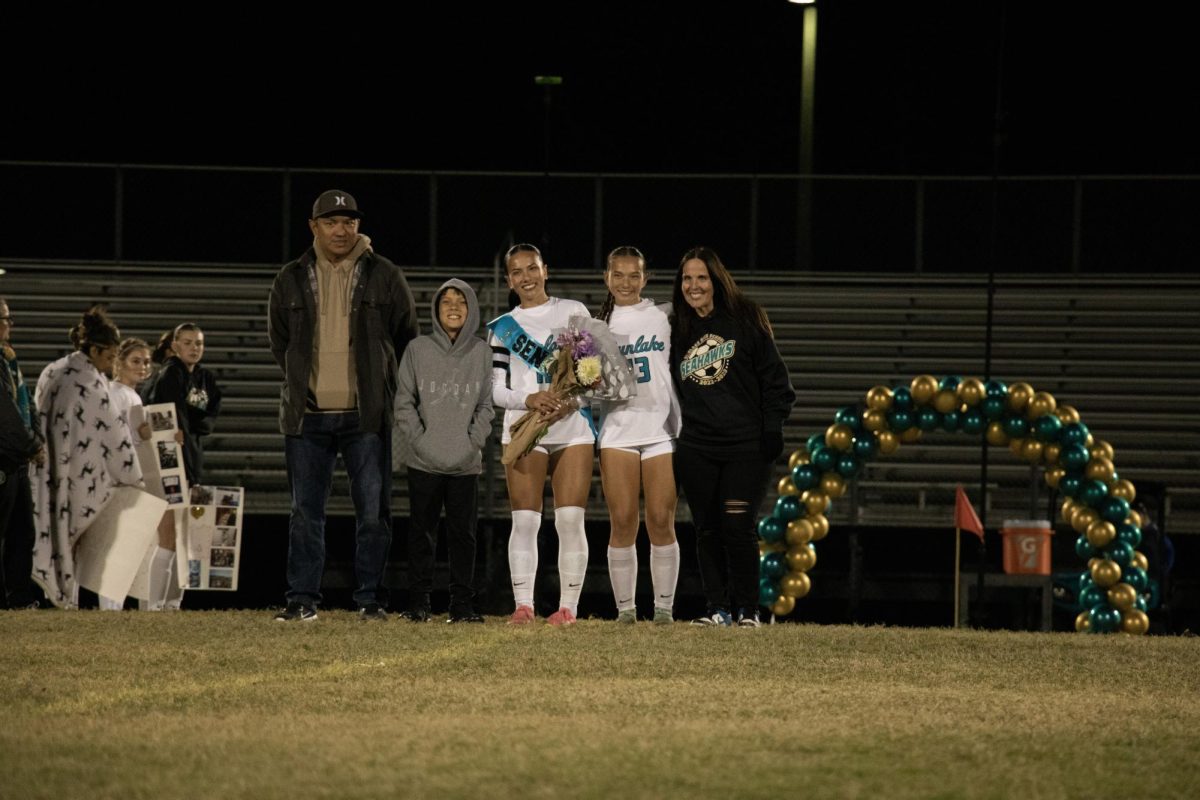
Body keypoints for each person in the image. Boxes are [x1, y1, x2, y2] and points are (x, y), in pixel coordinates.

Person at [269, 189, 419, 622]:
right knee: (304, 514)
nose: (341, 229)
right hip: (306, 415)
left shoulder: (385, 274)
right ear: (314, 227)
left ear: (358, 226)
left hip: (366, 414)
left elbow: (406, 336)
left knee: (373, 513)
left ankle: (370, 599)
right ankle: (301, 600)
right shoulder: (290, 277)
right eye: (331, 222)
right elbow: (280, 342)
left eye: (349, 221)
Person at [670, 246, 795, 628]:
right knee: (706, 529)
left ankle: (749, 612)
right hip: (697, 447)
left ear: (716, 280)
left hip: (746, 447)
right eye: (687, 279)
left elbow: (777, 382)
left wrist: (772, 427)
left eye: (701, 278)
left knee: (738, 527)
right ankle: (718, 609)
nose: (694, 286)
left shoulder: (746, 319)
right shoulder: (676, 327)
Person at [488, 243, 594, 626]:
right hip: (525, 427)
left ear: (545, 270)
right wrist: (528, 398)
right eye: (517, 272)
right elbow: (496, 390)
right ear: (509, 280)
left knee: (569, 519)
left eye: (531, 268)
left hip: (572, 428)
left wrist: (571, 404)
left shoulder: (573, 312)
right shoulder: (502, 328)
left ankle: (568, 608)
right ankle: (523, 606)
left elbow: (592, 376)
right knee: (526, 521)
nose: (526, 277)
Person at [31, 307, 145, 608]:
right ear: (93, 349)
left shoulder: (53, 370)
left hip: (51, 465)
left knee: (60, 533)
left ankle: (63, 599)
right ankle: (69, 600)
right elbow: (114, 433)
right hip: (80, 470)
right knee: (79, 539)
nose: (110, 364)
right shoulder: (90, 381)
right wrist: (133, 477)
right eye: (109, 356)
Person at [394, 279, 493, 623]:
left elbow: (486, 406)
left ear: (471, 310)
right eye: (446, 301)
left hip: (465, 463)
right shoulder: (417, 349)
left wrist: (472, 443)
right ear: (436, 310)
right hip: (423, 461)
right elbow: (404, 403)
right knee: (421, 533)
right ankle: (419, 603)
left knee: (463, 536)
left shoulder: (482, 352)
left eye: (461, 302)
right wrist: (421, 443)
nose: (453, 307)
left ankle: (461, 605)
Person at [594, 247, 681, 624]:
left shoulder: (664, 315)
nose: (626, 282)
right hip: (617, 431)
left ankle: (664, 609)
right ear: (606, 277)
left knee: (661, 519)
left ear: (645, 278)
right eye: (618, 274)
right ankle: (626, 611)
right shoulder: (595, 325)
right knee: (624, 519)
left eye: (634, 275)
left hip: (660, 429)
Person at [112, 337, 183, 611]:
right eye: (135, 361)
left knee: (148, 541)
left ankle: (150, 604)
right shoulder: (115, 392)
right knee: (122, 544)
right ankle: (114, 606)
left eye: (145, 362)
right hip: (124, 478)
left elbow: (141, 438)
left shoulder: (134, 395)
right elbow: (115, 436)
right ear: (119, 362)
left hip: (140, 475)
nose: (143, 367)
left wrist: (165, 436)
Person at [0, 297, 45, 609]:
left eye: (8, 318)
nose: (8, 324)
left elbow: (26, 404)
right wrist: (31, 445)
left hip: (16, 459)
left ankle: (19, 597)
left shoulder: (8, 359)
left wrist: (36, 440)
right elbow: (5, 415)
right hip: (4, 457)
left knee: (22, 533)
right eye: (2, 318)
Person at [142, 323, 220, 486]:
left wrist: (192, 424)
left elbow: (210, 420)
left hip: (193, 452)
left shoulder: (205, 378)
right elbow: (174, 421)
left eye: (198, 343)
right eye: (187, 343)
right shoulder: (170, 374)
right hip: (172, 456)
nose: (194, 348)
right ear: (175, 345)